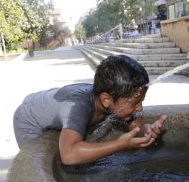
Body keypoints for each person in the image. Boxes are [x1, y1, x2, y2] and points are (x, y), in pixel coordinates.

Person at [13, 55, 167, 165]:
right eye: (135, 103)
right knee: (39, 164)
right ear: (106, 99)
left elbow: (136, 124)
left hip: (56, 105)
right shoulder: (78, 107)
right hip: (29, 120)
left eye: (141, 101)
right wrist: (119, 145)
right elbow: (68, 155)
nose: (140, 107)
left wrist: (147, 130)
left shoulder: (111, 97)